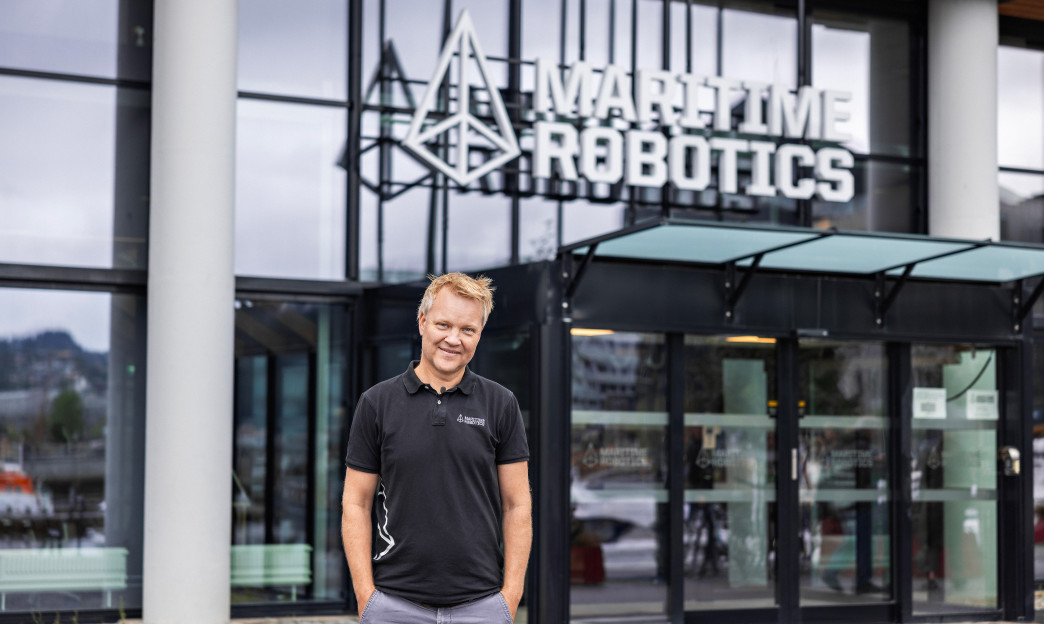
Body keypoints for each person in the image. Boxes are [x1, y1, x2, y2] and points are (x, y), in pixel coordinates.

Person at [341, 272, 532, 623]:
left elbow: (517, 504)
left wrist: (510, 596)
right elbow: (356, 503)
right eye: (443, 325)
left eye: (467, 330)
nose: (453, 339)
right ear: (422, 321)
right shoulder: (377, 404)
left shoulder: (501, 404)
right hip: (394, 605)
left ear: (479, 334)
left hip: (482, 606)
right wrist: (365, 595)